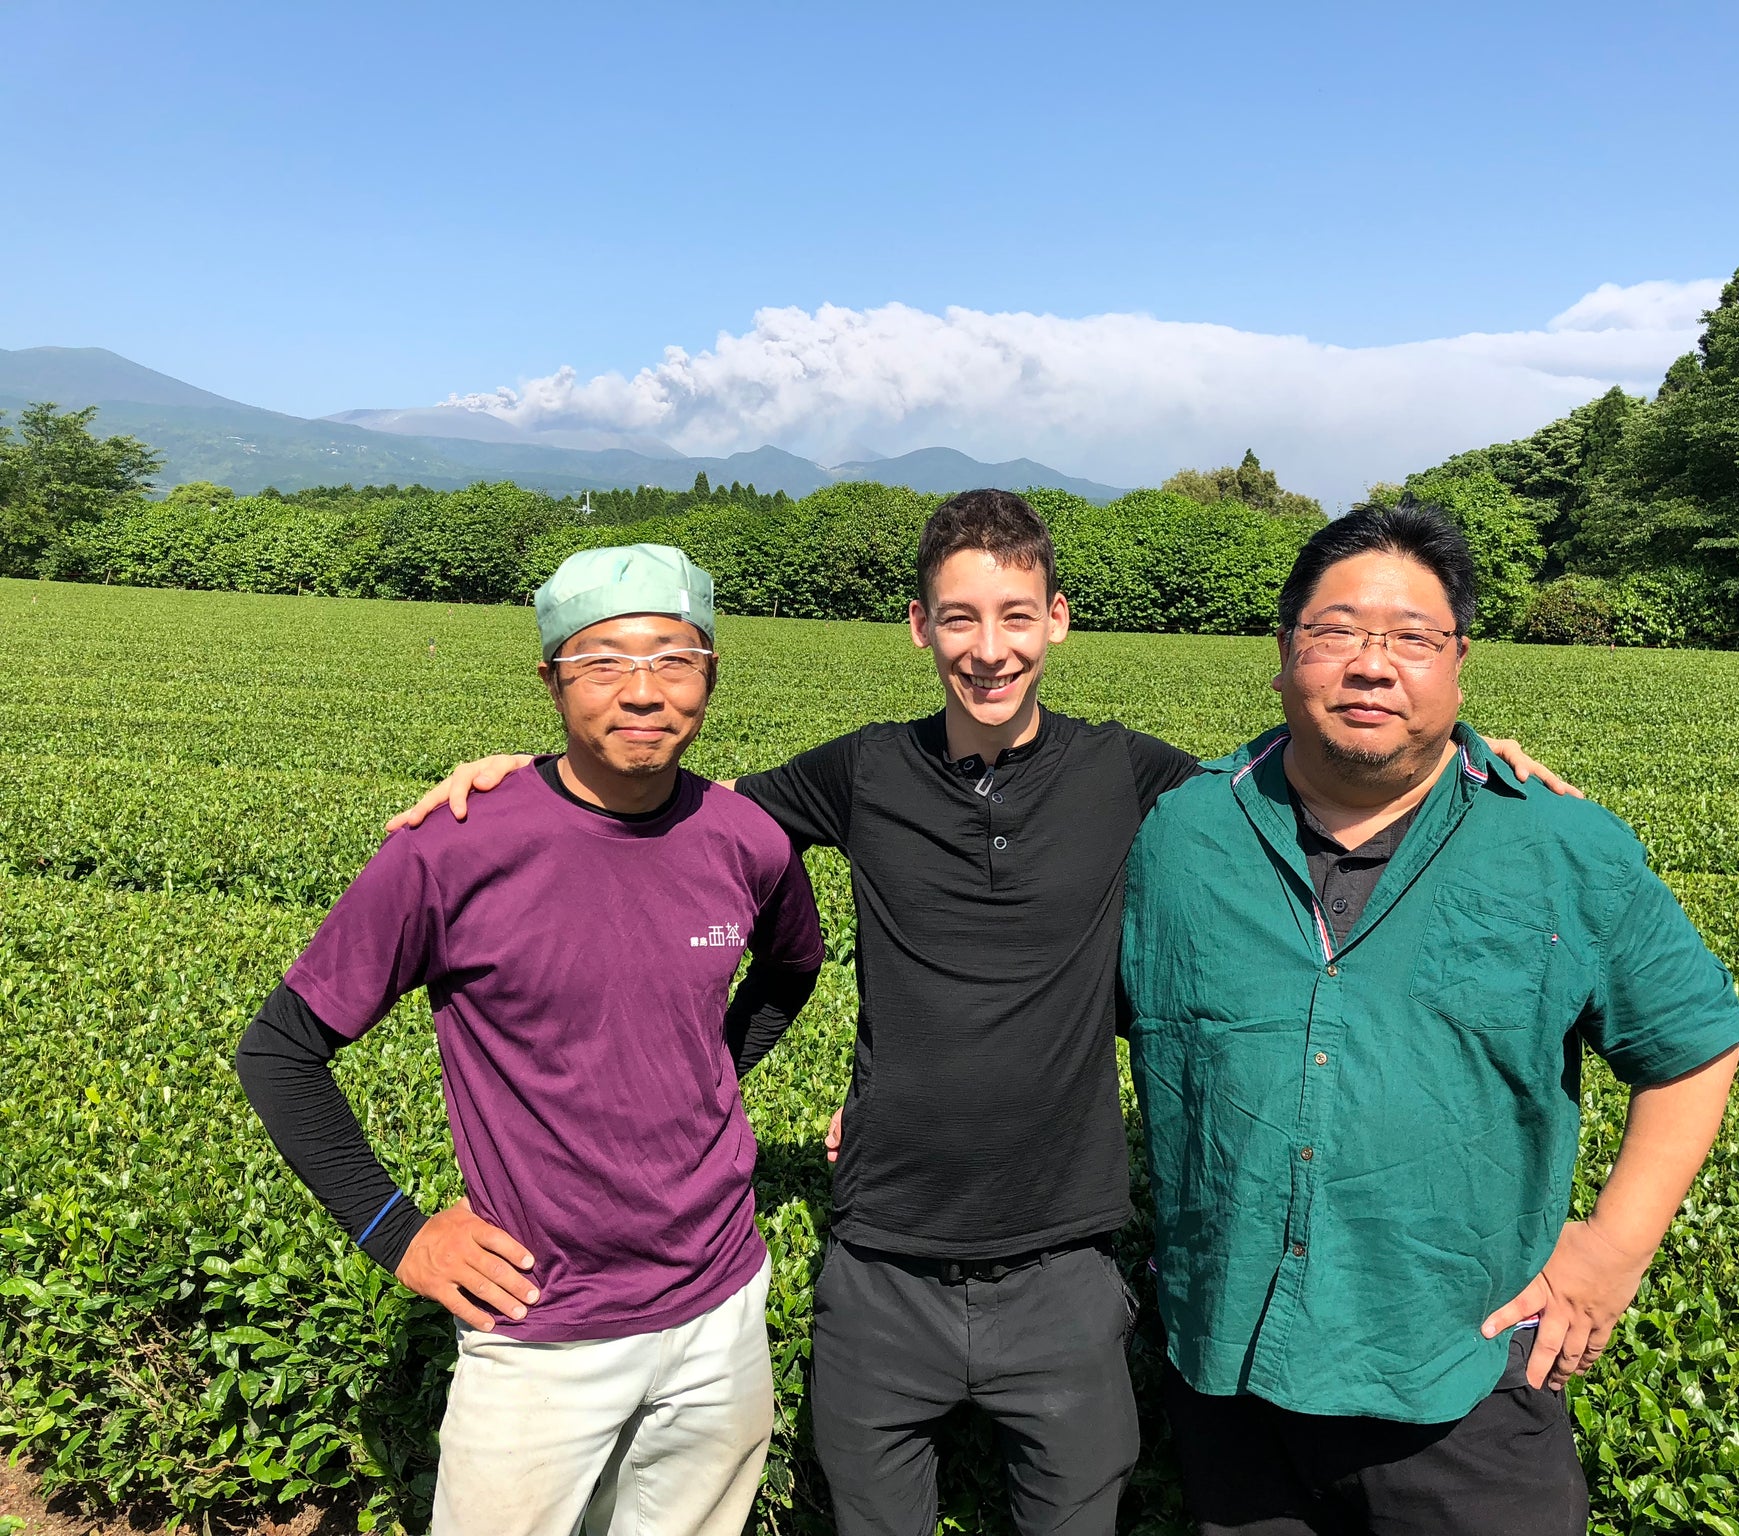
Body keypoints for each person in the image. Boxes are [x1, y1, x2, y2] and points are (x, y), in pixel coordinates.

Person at [394, 492, 1575, 1536]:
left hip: (1063, 1251)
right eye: (959, 618)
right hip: (879, 1248)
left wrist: (1464, 762)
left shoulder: (1129, 775)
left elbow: (1304, 783)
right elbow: (671, 815)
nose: (988, 649)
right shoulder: (859, 772)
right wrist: (526, 781)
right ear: (919, 628)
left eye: (1014, 616)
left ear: (1056, 620)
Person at [1119, 503, 1739, 1536]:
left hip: (1461, 1374)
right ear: (1281, 655)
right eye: (1335, 632)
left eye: (1411, 638)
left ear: (1458, 663)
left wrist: (1611, 1248)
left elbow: (1689, 1046)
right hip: (1229, 1371)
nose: (1371, 666)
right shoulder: (1179, 833)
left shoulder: (1558, 847)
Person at [237, 544, 824, 1536]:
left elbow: (793, 965)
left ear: (710, 677)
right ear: (550, 681)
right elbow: (280, 1050)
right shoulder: (452, 846)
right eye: (603, 661)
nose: (643, 691)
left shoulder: (745, 839)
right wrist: (398, 1232)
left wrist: (706, 1073)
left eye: (674, 659)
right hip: (540, 1329)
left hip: (720, 1306)